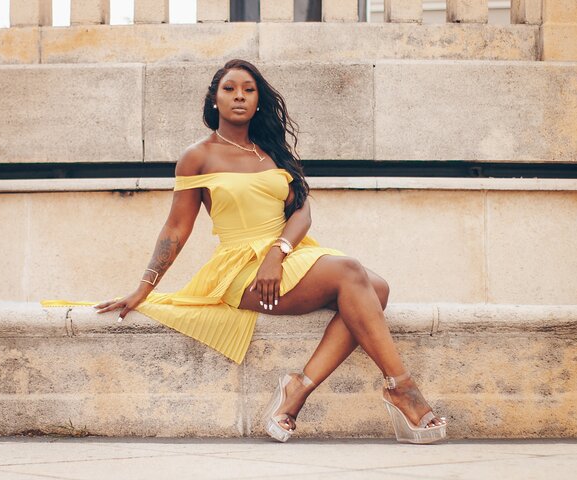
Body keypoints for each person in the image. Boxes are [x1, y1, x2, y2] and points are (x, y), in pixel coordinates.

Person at [41, 59, 446, 444]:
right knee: (351, 272)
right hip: (240, 268)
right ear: (214, 99)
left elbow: (302, 210)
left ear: (258, 101)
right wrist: (144, 287)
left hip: (285, 255)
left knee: (378, 289)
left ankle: (298, 388)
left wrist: (277, 253)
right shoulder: (198, 156)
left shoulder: (270, 151)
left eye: (249, 90)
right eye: (229, 88)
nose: (239, 95)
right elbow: (176, 228)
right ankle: (402, 388)